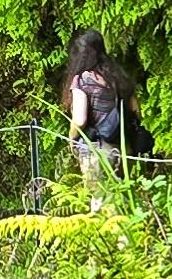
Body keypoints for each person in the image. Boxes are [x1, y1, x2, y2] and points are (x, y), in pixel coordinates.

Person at [63, 28, 149, 177]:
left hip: (97, 151)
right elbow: (136, 110)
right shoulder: (118, 76)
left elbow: (80, 119)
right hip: (124, 149)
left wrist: (71, 139)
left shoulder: (82, 80)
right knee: (122, 197)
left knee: (100, 199)